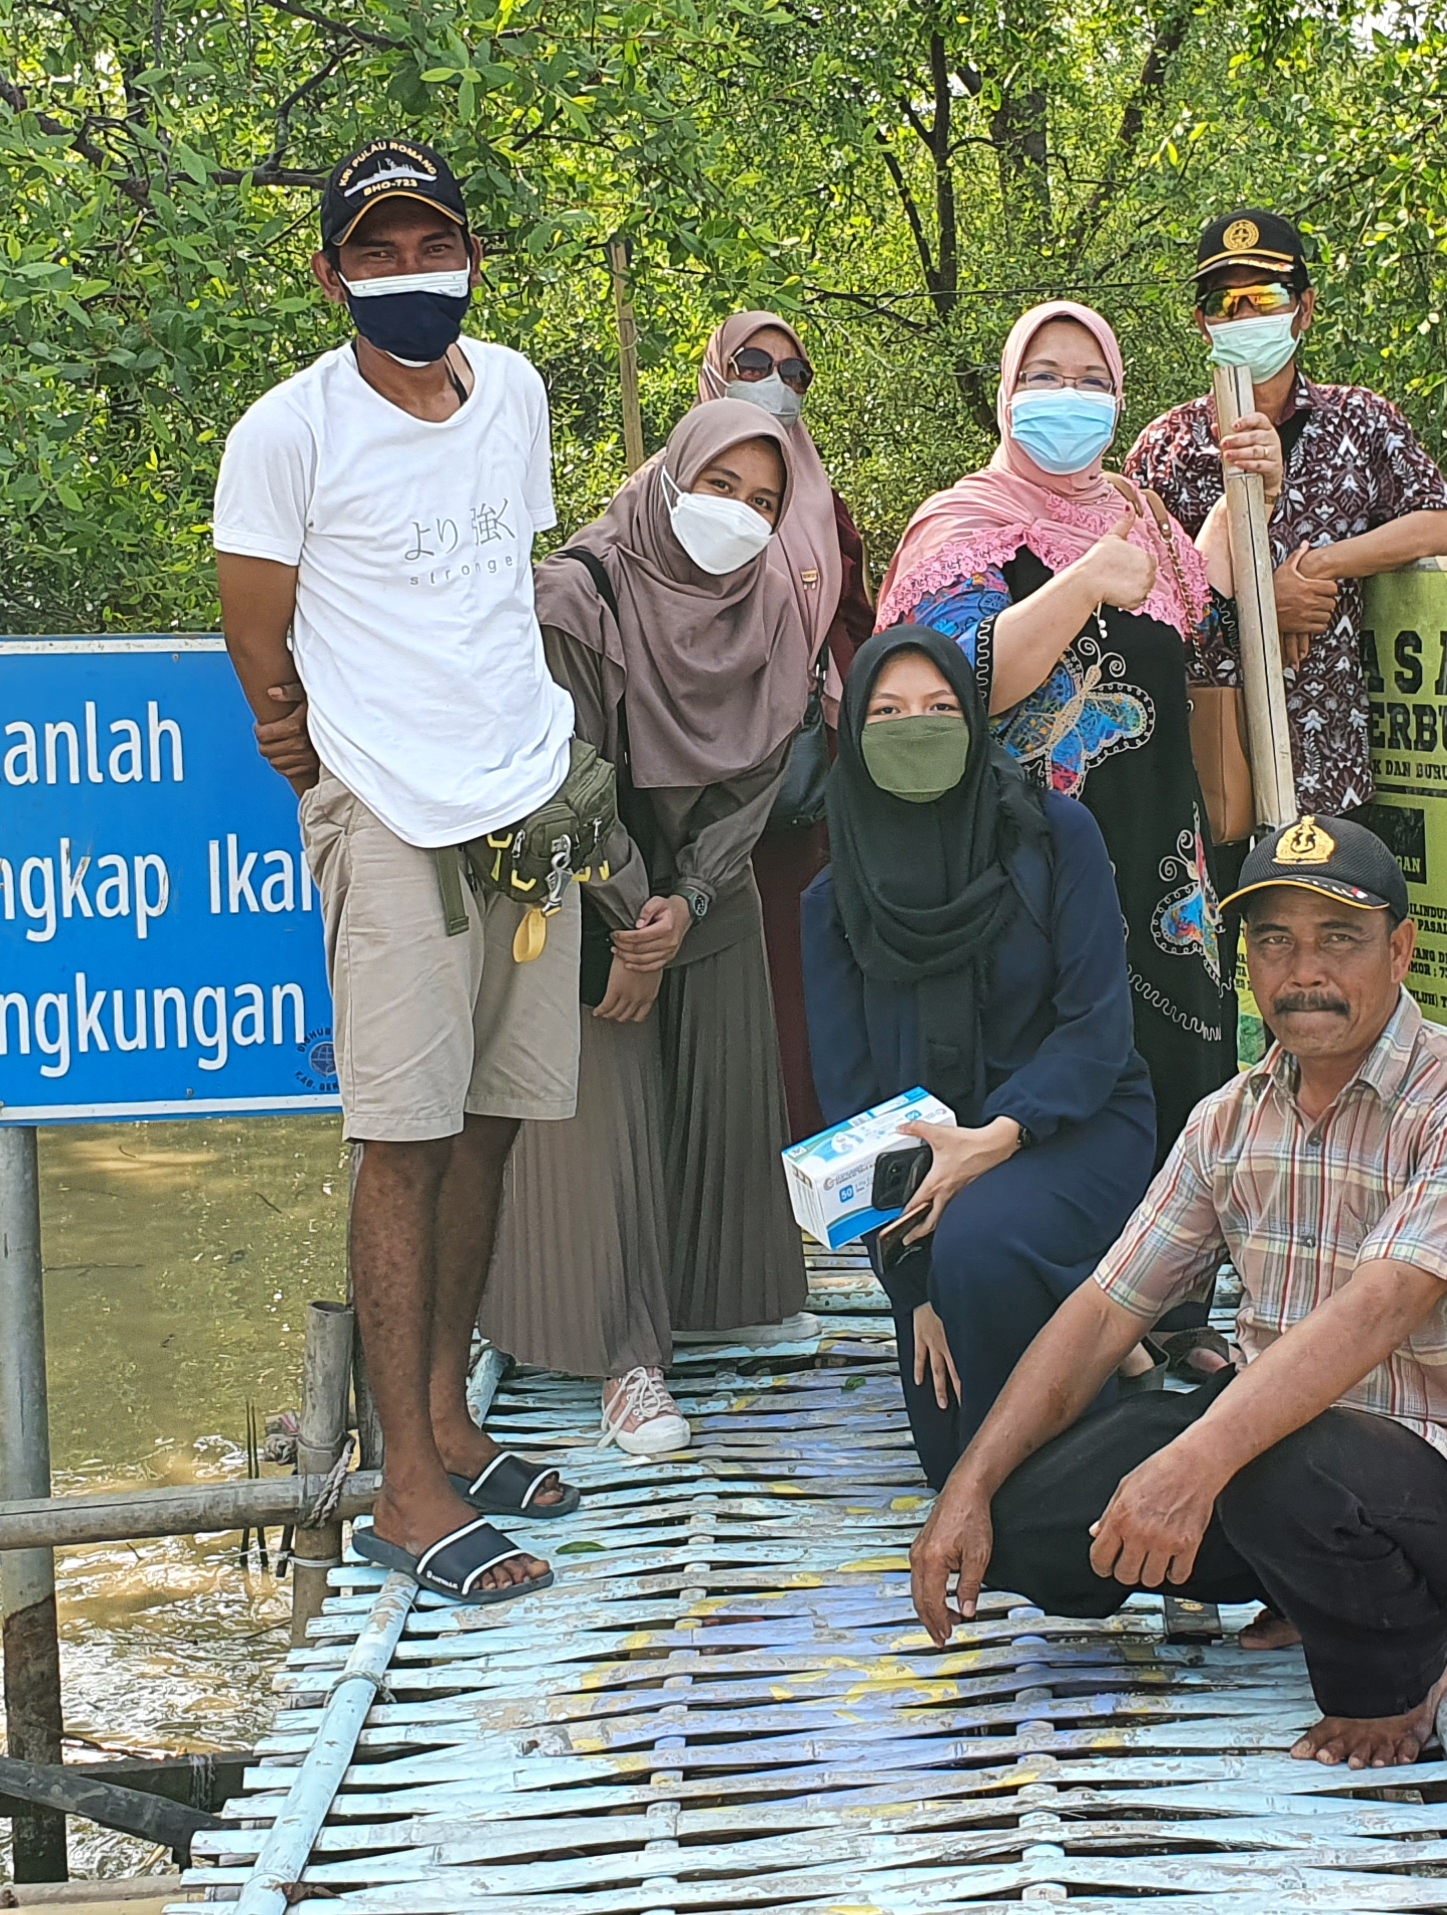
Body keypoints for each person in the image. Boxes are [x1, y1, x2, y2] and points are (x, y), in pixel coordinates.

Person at [905, 815, 1447, 1768]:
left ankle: (1404, 1666)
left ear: (1401, 951)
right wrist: (965, 1489)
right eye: (1275, 942)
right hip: (1280, 1463)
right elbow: (1107, 1310)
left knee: (1268, 1458)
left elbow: (1378, 1309)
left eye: (1337, 939)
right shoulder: (1228, 1119)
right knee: (1018, 1526)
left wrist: (1192, 1466)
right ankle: (1303, 1588)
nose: (1303, 971)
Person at [212, 140, 584, 1604]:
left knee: (491, 1123)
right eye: (377, 251)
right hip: (393, 818)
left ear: (471, 254)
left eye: (432, 241)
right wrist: (318, 770)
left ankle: (447, 1418)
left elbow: (500, 581)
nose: (410, 271)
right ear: (330, 275)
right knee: (403, 1137)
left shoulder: (518, 393)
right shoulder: (287, 434)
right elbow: (258, 628)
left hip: (525, 801)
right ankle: (406, 1493)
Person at [489, 397, 819, 1458]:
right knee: (608, 1077)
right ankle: (622, 1358)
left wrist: (694, 901)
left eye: (765, 500)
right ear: (673, 477)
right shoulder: (576, 597)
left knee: (722, 1033)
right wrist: (636, 917)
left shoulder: (771, 610)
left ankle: (717, 1300)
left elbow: (755, 786)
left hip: (692, 883)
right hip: (574, 878)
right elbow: (559, 774)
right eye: (720, 487)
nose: (740, 515)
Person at [801, 625, 1160, 1485]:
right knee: (943, 1417)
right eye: (887, 712)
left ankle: (1057, 1479)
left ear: (973, 718)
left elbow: (1097, 1031)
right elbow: (853, 1109)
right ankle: (1108, 1357)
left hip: (1078, 1120)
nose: (914, 728)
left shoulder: (1054, 837)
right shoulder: (834, 899)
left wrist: (998, 1137)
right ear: (852, 733)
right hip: (922, 1177)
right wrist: (910, 1289)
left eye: (937, 708)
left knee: (982, 1242)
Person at [880, 301, 1236, 1157]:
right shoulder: (963, 524)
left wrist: (1241, 499)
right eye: (1044, 377)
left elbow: (1194, 621)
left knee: (1170, 1154)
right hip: (1027, 876)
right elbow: (958, 682)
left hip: (1159, 877)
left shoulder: (1135, 513)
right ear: (1006, 395)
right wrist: (1082, 583)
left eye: (1091, 380)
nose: (1067, 396)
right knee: (1042, 1145)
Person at [1127, 210, 1447, 834]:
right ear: (1203, 324)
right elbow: (1144, 607)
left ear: (1305, 308)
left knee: (1328, 931)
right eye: (1223, 302)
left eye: (1264, 297)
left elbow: (1446, 525)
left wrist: (1324, 564)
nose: (1244, 317)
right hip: (1210, 772)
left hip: (1331, 767)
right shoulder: (1165, 448)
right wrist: (1261, 606)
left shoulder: (1360, 421)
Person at [705, 310, 883, 1147]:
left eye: (793, 370)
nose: (775, 381)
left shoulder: (822, 503)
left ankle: (807, 1166)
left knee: (801, 975)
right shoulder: (668, 495)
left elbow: (855, 622)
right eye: (752, 361)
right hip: (698, 777)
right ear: (716, 369)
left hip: (804, 788)